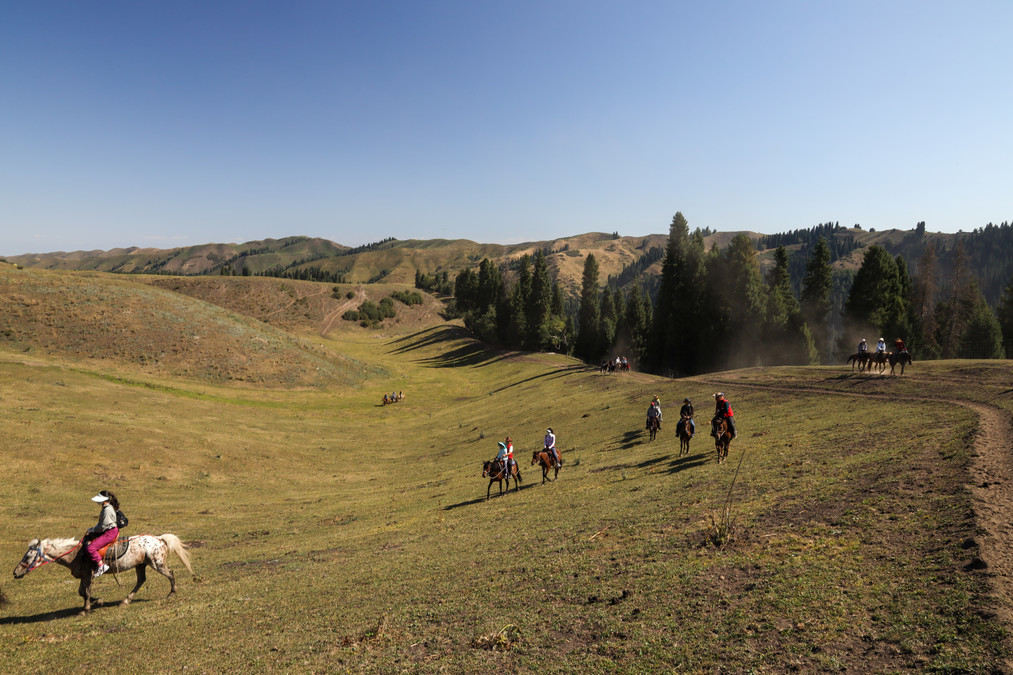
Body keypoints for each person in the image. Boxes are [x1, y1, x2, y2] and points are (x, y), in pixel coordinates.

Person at [84, 490, 120, 577]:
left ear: (104, 500)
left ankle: (101, 565)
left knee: (90, 548)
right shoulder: (106, 508)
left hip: (109, 532)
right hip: (108, 530)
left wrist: (93, 530)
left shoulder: (107, 510)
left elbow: (103, 526)